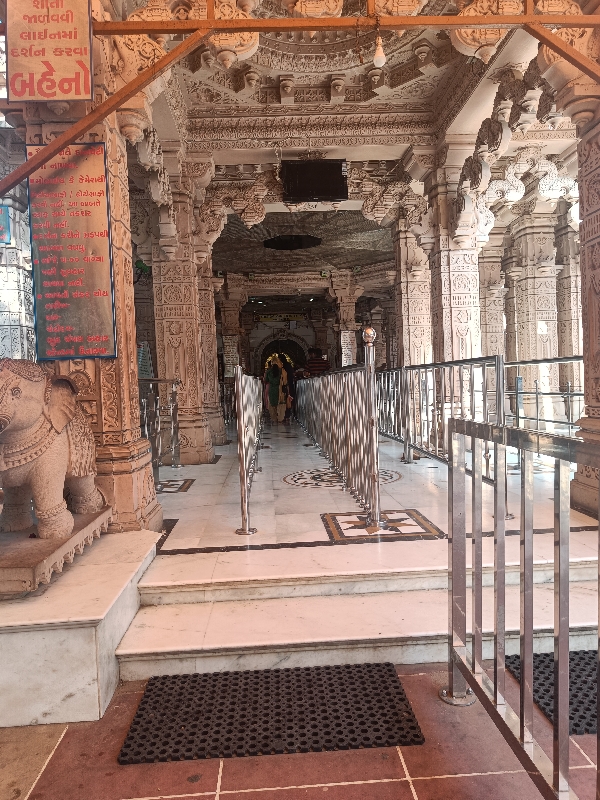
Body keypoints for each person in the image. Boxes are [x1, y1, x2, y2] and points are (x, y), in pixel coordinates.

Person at [264, 358, 287, 423]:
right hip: (280, 389)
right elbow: (285, 382)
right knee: (280, 404)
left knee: (272, 404)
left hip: (272, 389)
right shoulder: (282, 371)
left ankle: (274, 418)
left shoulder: (268, 371)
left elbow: (266, 380)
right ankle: (280, 418)